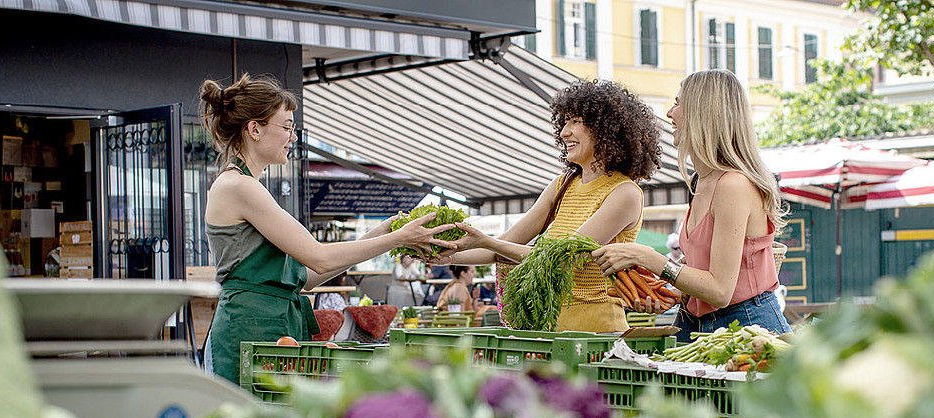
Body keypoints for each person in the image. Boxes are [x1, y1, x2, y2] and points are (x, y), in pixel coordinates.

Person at [199, 73, 458, 384]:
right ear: (254, 128)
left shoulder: (246, 185)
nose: (292, 137)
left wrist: (387, 231)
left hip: (269, 328)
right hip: (248, 331)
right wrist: (400, 237)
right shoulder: (239, 186)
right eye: (286, 126)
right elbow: (319, 257)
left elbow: (308, 276)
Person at [438, 79, 662, 333]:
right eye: (564, 121)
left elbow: (559, 260)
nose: (564, 132)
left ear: (607, 129)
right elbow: (503, 247)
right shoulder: (561, 186)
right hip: (549, 332)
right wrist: (443, 254)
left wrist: (487, 241)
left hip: (597, 336)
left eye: (576, 121)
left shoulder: (624, 193)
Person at [591, 70, 792, 342]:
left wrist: (647, 257)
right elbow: (705, 272)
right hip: (693, 323)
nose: (670, 113)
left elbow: (720, 290)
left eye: (677, 103)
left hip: (745, 328)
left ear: (702, 112)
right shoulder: (702, 181)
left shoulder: (734, 185)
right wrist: (669, 293)